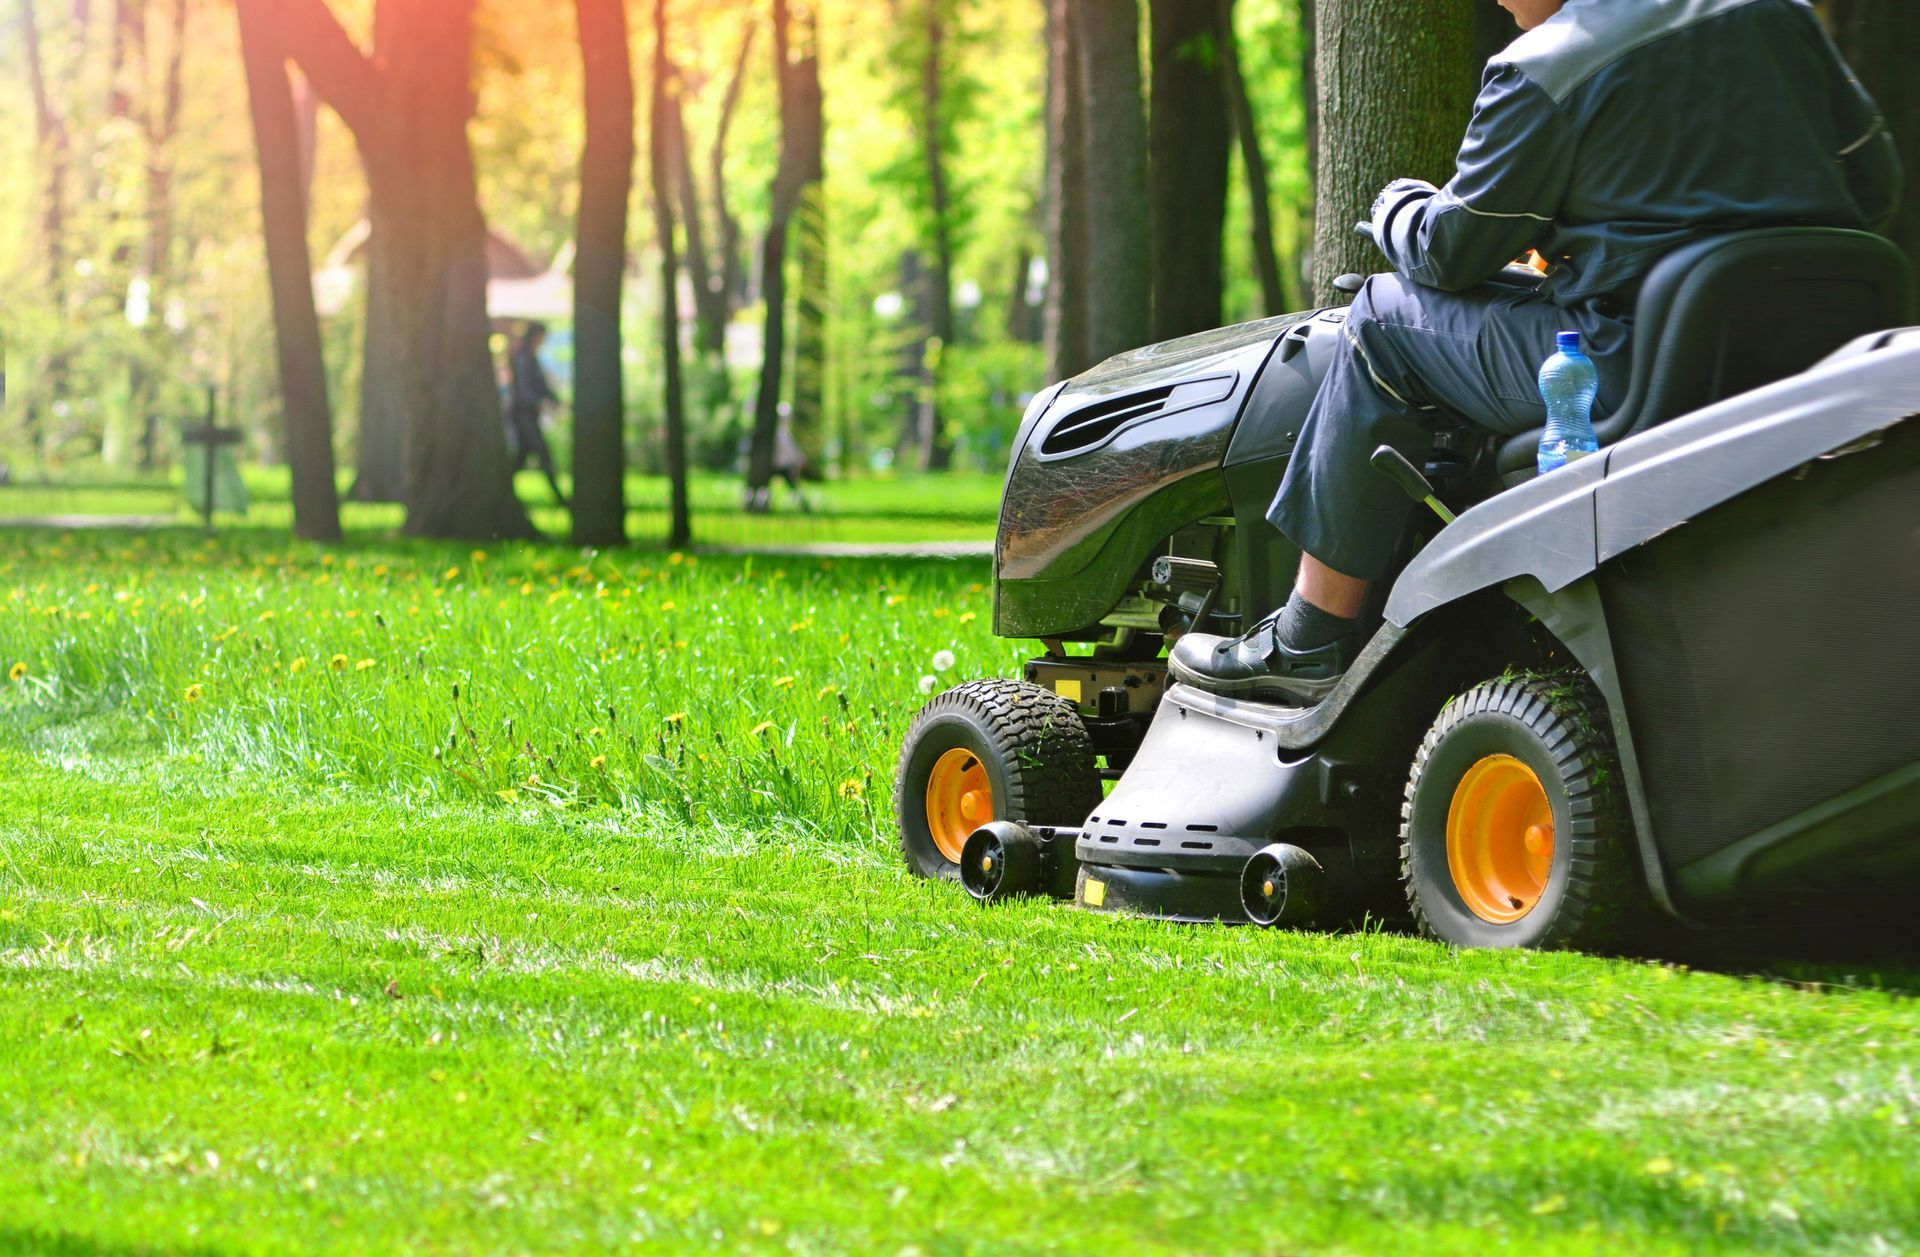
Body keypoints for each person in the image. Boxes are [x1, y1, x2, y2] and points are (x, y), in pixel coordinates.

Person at [1171, 0, 1902, 705]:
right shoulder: (1779, 13)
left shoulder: (1549, 64)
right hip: (1813, 365)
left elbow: (1451, 250)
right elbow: (1875, 186)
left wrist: (1397, 206)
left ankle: (1310, 639)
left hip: (1634, 371)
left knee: (1379, 319)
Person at [508, 321, 568, 507]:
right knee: (541, 452)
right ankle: (558, 497)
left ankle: (506, 492)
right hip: (523, 413)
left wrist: (553, 399)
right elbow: (524, 388)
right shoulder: (523, 358)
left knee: (522, 456)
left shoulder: (530, 357)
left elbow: (539, 385)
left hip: (528, 413)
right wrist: (539, 401)